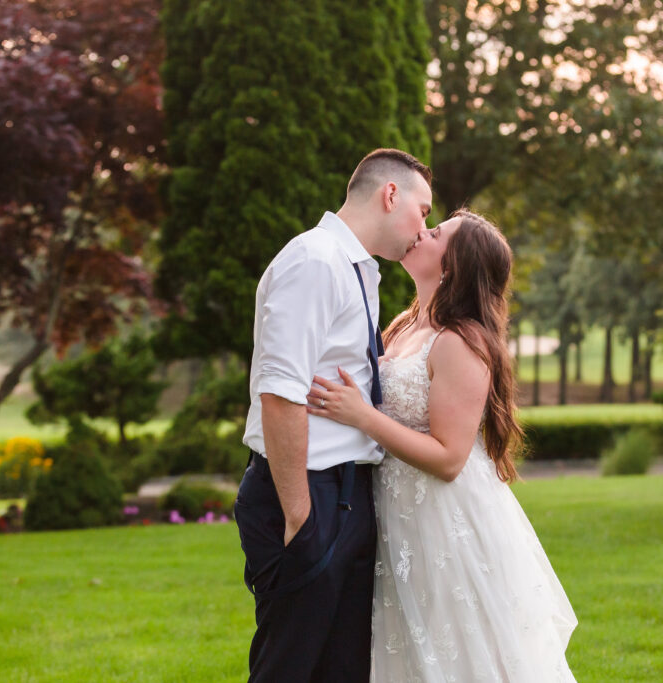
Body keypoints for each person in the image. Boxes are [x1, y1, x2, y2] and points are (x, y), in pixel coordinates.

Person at [307, 210, 577, 682]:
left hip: (445, 519)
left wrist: (362, 416)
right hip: (397, 513)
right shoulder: (405, 326)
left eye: (435, 234)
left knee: (458, 653)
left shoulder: (461, 341)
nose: (420, 233)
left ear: (452, 266)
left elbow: (451, 458)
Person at [234, 148, 433, 683]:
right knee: (290, 667)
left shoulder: (357, 269)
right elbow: (280, 392)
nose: (424, 227)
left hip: (347, 495)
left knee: (343, 669)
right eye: (424, 210)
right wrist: (300, 518)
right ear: (390, 194)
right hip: (306, 496)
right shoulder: (315, 260)